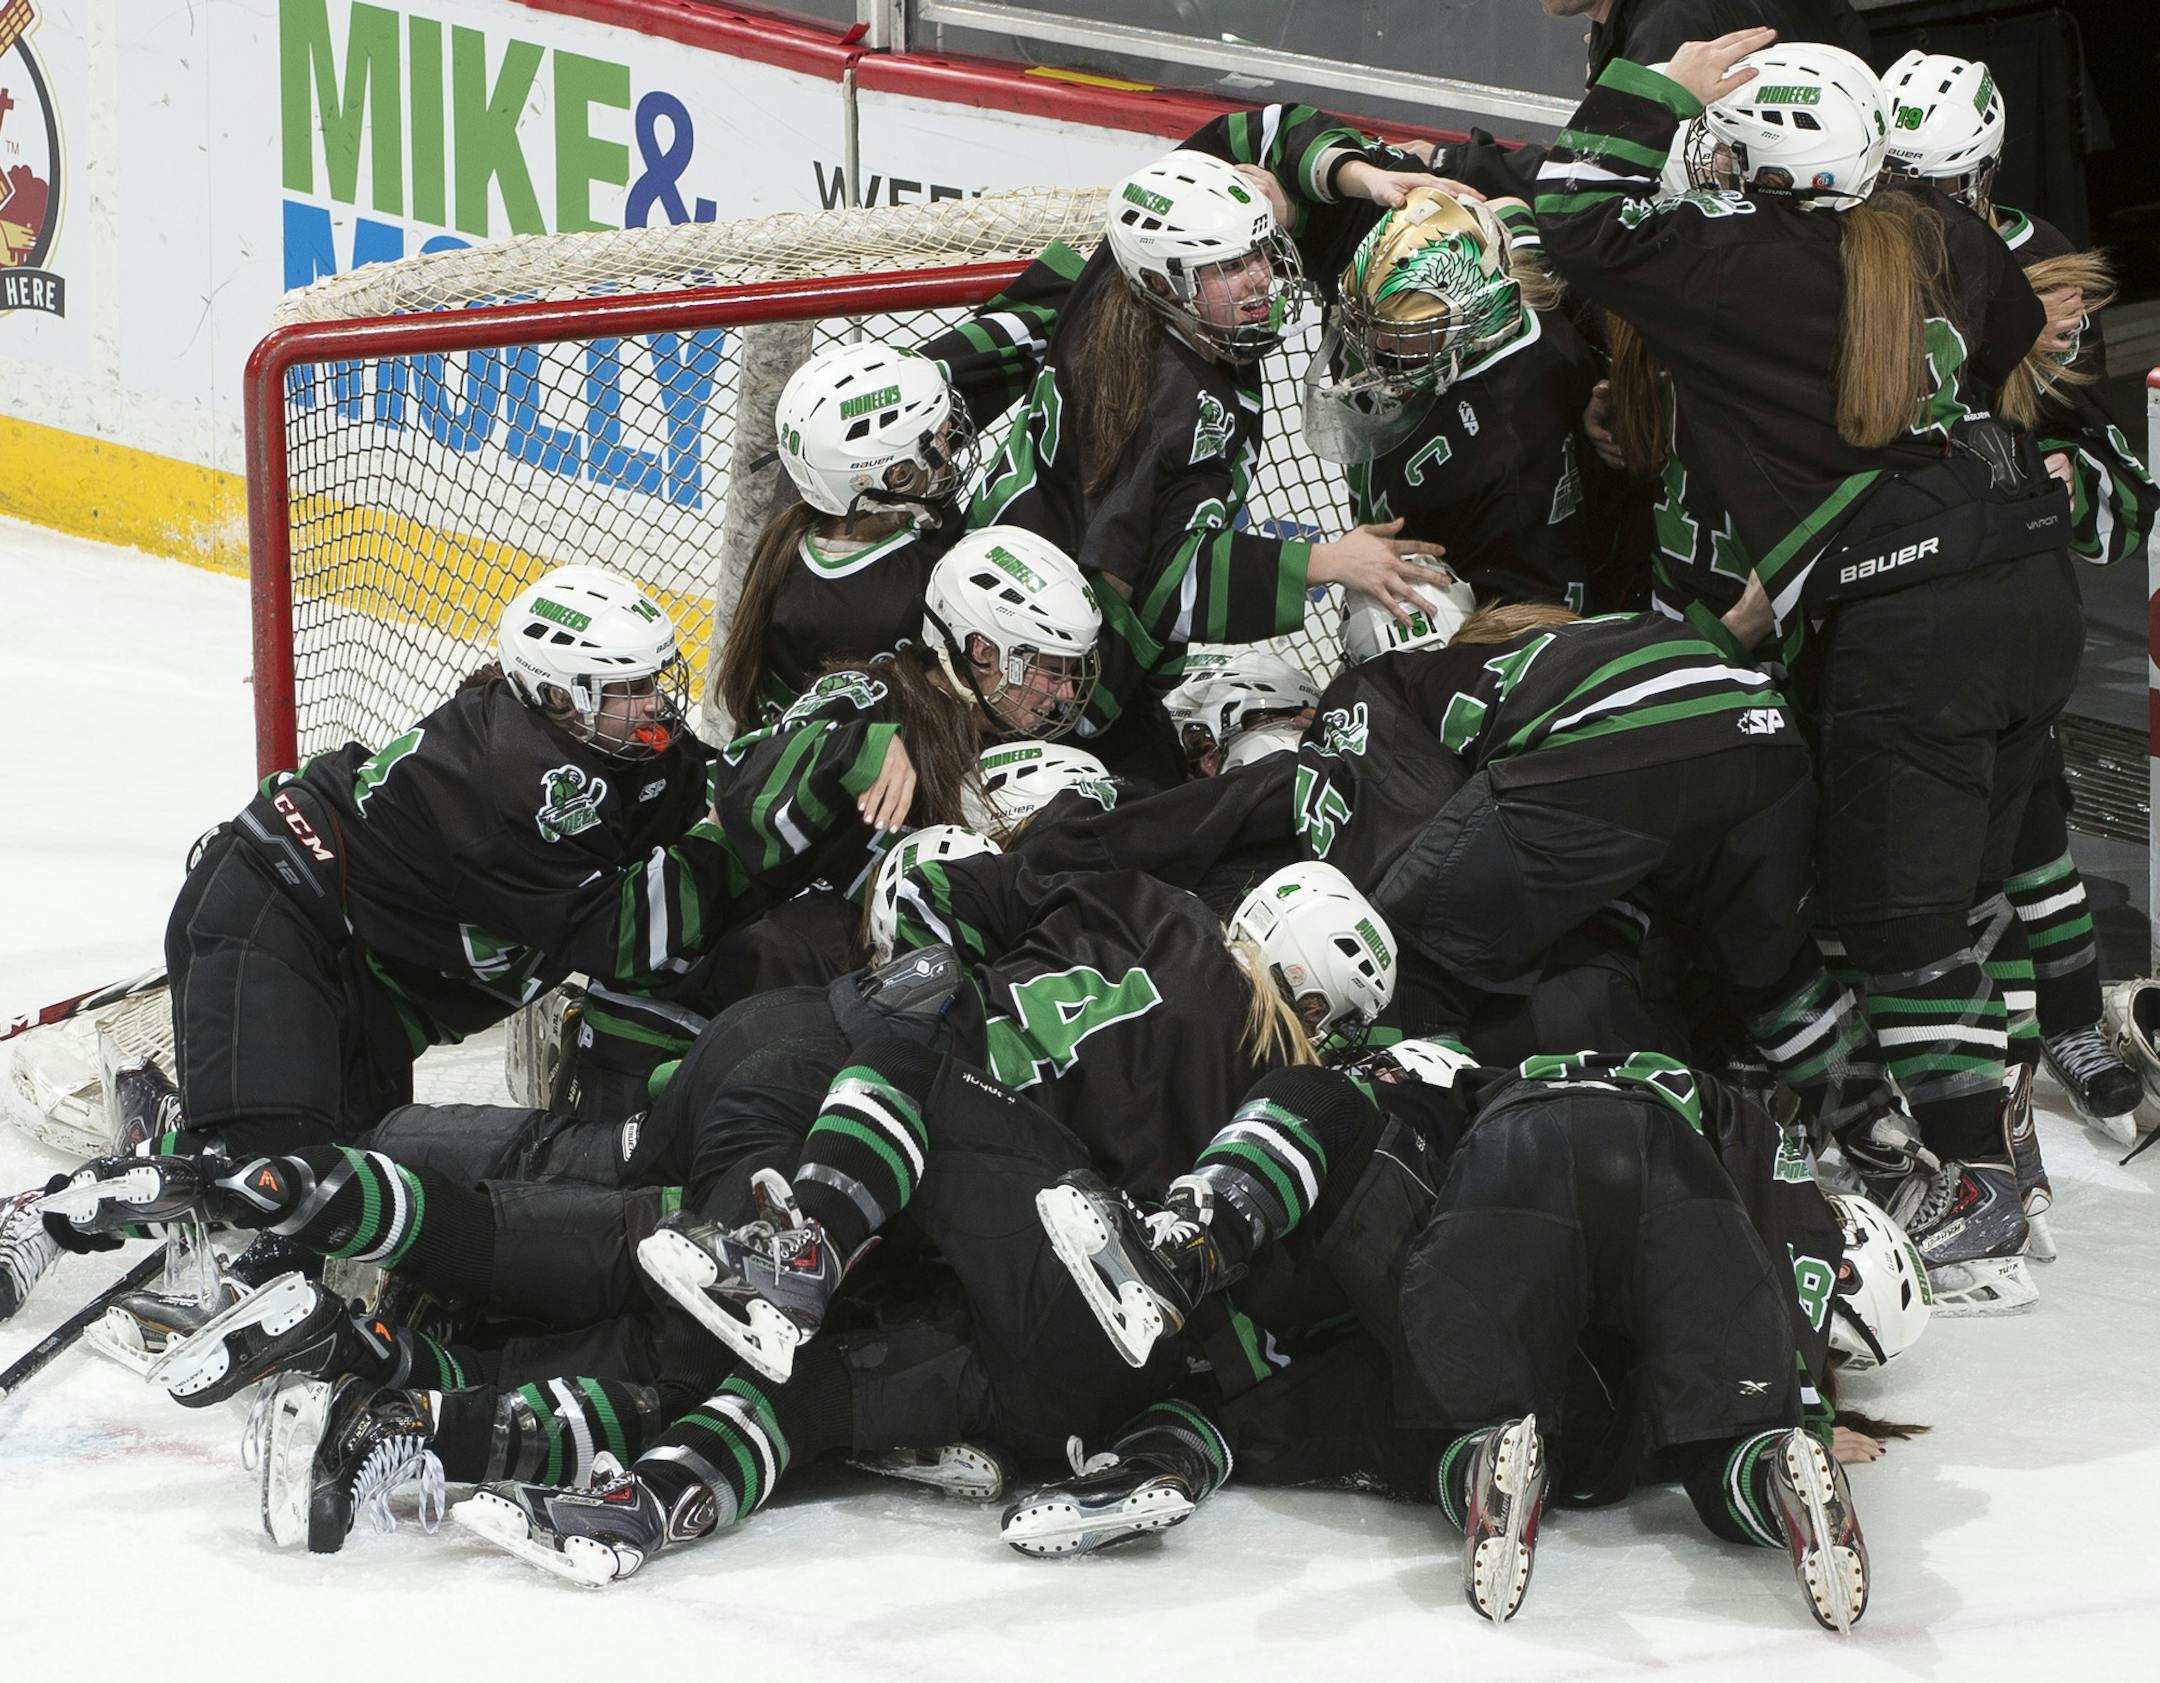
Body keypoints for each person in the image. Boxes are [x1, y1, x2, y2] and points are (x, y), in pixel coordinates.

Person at [1536, 32, 2079, 1313]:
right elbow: (2006, 334)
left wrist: (1657, 86)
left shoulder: (1733, 266)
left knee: (1897, 921)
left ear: (1764, 169)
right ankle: (2004, 1154)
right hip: (2030, 580)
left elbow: (1574, 210)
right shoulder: (1935, 230)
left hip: (1919, 617)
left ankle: (1972, 1187)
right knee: (1966, 888)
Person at [1030, 1039, 1867, 1631]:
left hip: (1515, 1159)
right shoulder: (1749, 1144)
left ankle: (1192, 1247)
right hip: (1666, 1210)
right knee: (1717, 1440)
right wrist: (1801, 1408)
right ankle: (1765, 1477)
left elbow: (1378, 1119)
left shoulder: (1488, 1076)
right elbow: (1795, 1251)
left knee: (1320, 1106)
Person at [970, 127, 1459, 779]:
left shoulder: (1109, 286)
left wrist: (1357, 175)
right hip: (1059, 682)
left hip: (1011, 622)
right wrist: (1328, 561)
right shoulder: (1180, 403)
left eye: (1259, 250)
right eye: (1229, 265)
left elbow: (1250, 124)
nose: (1261, 277)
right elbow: (1167, 583)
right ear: (1165, 284)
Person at [1880, 46, 2158, 1145]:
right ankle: (1909, 1039)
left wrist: (2061, 482)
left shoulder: (2037, 268)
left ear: (1983, 175)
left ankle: (2072, 1016)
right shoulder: (1823, 253)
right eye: (1892, 178)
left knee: (2029, 801)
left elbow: (2123, 488)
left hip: (1995, 597)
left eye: (1936, 184)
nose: (1911, 206)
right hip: (1875, 589)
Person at [1311, 186, 1614, 609]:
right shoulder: (1525, 289)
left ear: (1476, 318)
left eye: (1409, 335)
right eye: (1369, 326)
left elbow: (1530, 621)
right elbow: (1507, 207)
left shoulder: (1505, 453)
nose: (1377, 350)